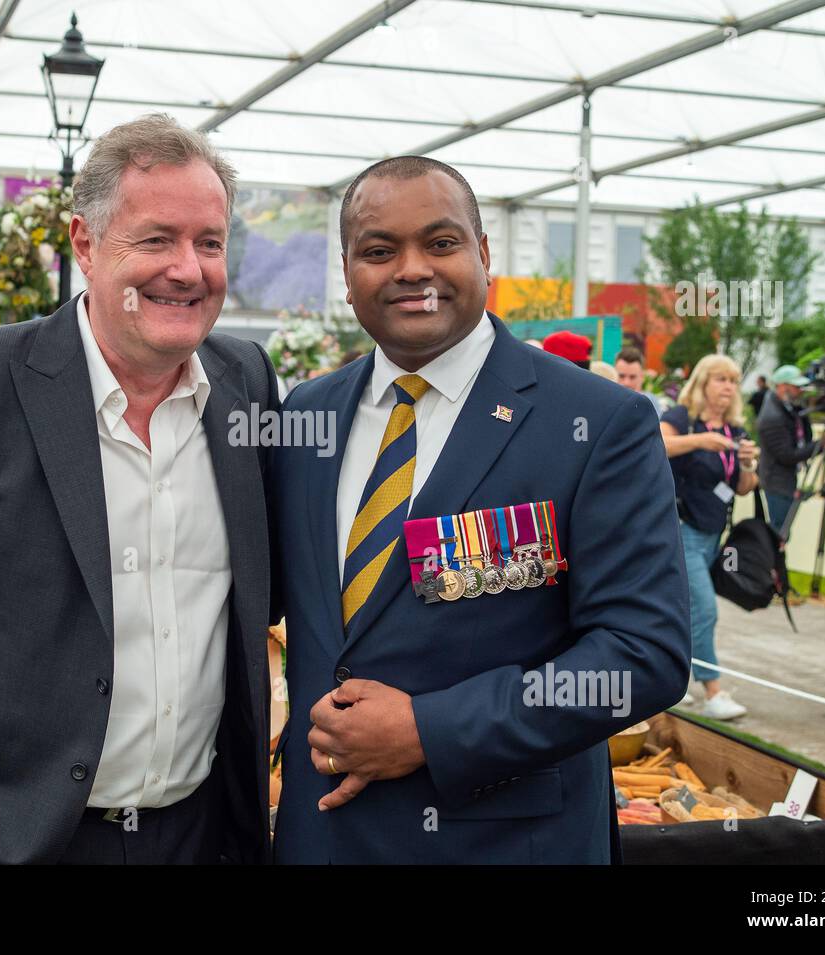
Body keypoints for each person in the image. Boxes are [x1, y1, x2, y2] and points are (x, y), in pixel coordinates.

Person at [0, 114, 278, 864]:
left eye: (210, 243)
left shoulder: (245, 384)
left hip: (202, 833)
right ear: (85, 244)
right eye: (156, 239)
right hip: (11, 836)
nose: (188, 269)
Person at [268, 156, 690, 864]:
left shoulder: (596, 422)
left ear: (484, 255)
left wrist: (430, 728)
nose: (410, 269)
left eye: (440, 242)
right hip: (323, 837)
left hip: (506, 842)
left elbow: (642, 654)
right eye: (378, 250)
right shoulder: (306, 418)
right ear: (347, 273)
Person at [660, 354, 759, 720]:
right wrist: (700, 441)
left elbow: (745, 487)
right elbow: (656, 444)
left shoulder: (736, 431)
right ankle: (713, 690)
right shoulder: (682, 419)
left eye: (733, 381)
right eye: (720, 379)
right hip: (680, 528)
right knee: (704, 609)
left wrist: (748, 463)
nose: (728, 387)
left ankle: (675, 679)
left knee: (684, 610)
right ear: (702, 383)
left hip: (713, 534)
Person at [757, 364, 825, 534]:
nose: (801, 391)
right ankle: (776, 560)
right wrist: (824, 442)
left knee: (782, 530)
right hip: (777, 483)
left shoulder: (787, 406)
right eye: (797, 387)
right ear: (782, 387)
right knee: (780, 531)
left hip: (784, 479)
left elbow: (803, 430)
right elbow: (788, 455)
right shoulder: (772, 417)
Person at [614, 346, 664, 417]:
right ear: (614, 374)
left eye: (632, 377)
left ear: (642, 377)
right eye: (621, 376)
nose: (626, 383)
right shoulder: (608, 402)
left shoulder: (651, 404)